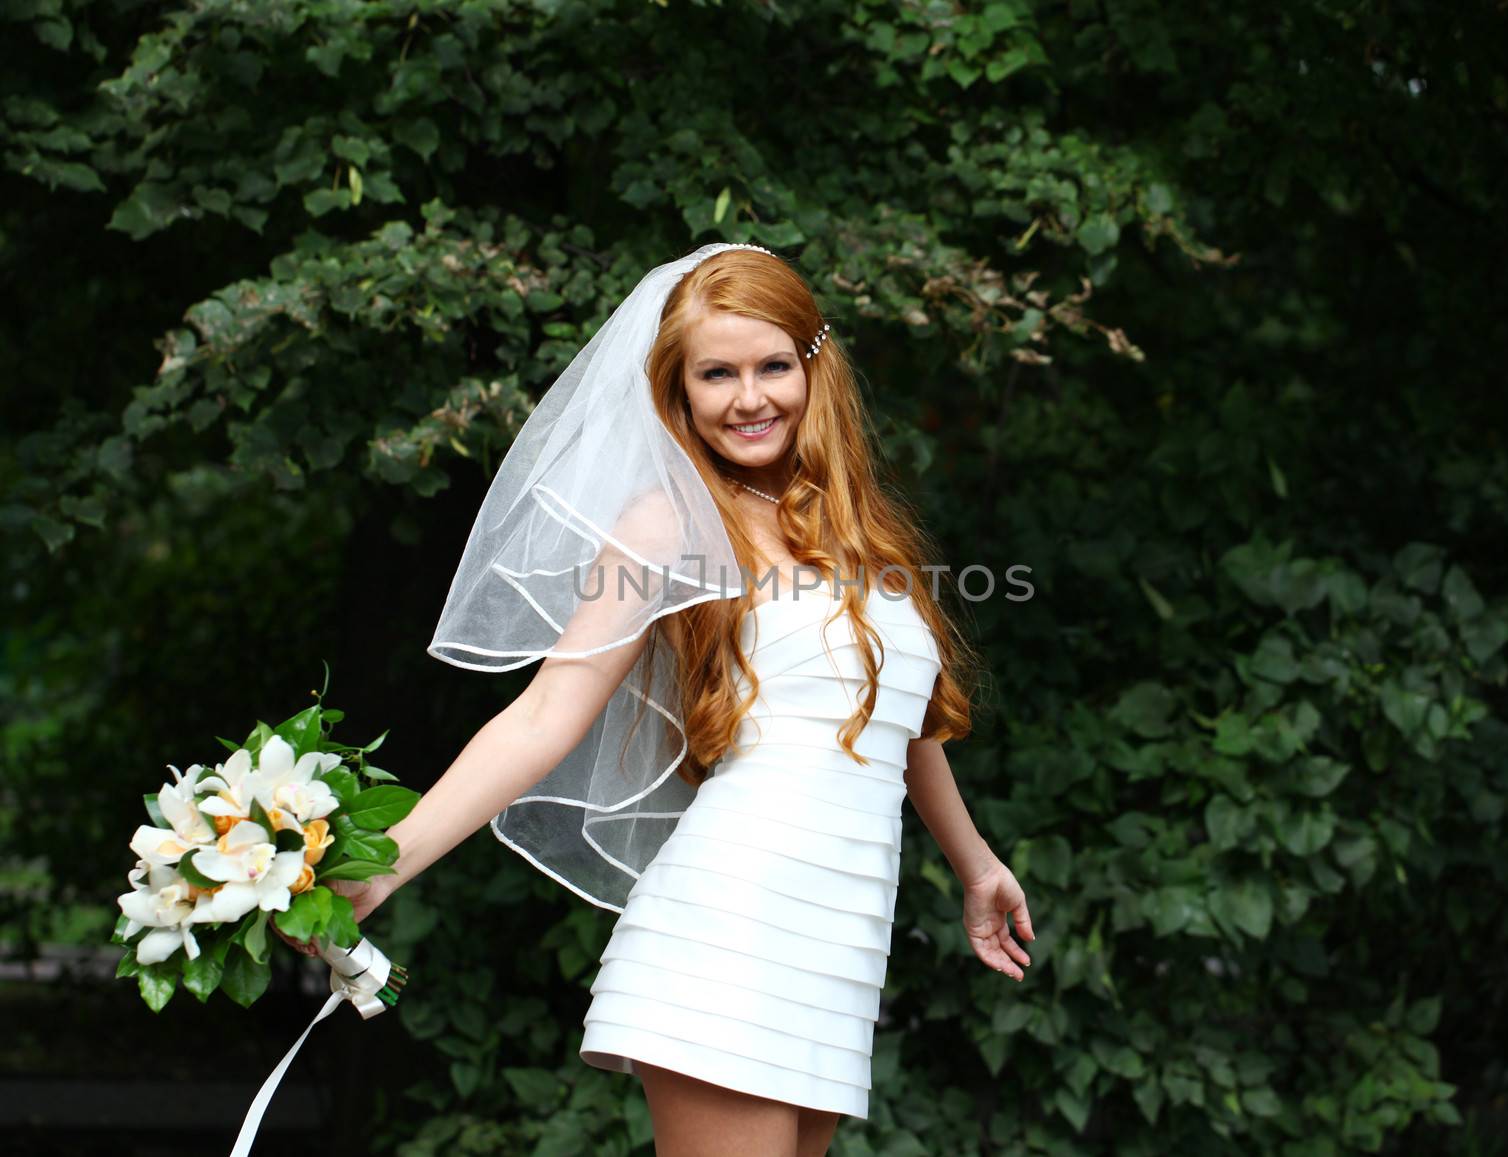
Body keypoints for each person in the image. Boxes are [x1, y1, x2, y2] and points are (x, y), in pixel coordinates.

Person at [279, 242, 1035, 1157]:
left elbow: (890, 719)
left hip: (839, 938)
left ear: (814, 363)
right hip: (733, 924)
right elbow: (545, 712)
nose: (748, 397)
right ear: (679, 388)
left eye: (771, 366)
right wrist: (388, 862)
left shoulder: (855, 525)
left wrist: (975, 862)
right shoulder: (668, 520)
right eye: (716, 373)